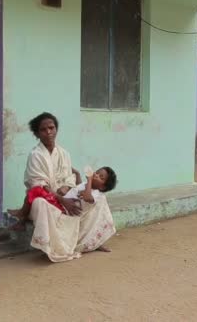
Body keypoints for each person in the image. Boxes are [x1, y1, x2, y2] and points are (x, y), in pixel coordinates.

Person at [10, 112, 118, 262]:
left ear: (56, 129)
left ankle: (92, 241)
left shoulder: (64, 154)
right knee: (40, 202)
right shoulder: (35, 155)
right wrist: (62, 198)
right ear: (37, 134)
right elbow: (38, 185)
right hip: (48, 200)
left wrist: (67, 187)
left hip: (66, 201)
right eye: (43, 129)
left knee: (100, 201)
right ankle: (46, 244)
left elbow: (70, 179)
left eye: (51, 128)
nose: (48, 132)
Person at [8, 166, 118, 230]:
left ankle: (22, 216)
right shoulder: (86, 185)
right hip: (60, 203)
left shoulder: (96, 194)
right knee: (38, 191)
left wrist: (89, 179)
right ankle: (24, 216)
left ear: (103, 187)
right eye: (97, 172)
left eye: (100, 177)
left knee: (37, 191)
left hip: (63, 209)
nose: (96, 175)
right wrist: (77, 174)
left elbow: (87, 197)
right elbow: (78, 187)